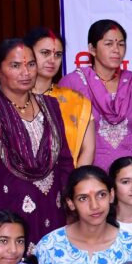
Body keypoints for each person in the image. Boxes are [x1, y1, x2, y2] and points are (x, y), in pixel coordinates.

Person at [0, 39, 74, 246]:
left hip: (54, 213)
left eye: (31, 64)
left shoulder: (50, 106)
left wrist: (72, 216)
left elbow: (65, 163)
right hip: (7, 217)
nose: (26, 72)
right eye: (15, 65)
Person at [59, 20, 132, 170]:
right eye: (109, 44)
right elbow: (62, 137)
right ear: (92, 49)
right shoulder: (73, 83)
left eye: (121, 44)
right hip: (92, 175)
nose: (116, 50)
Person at [24, 27, 95, 167]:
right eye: (45, 53)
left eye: (57, 55)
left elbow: (88, 150)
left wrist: (75, 180)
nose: (52, 60)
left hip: (69, 178)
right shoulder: (13, 98)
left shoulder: (77, 101)